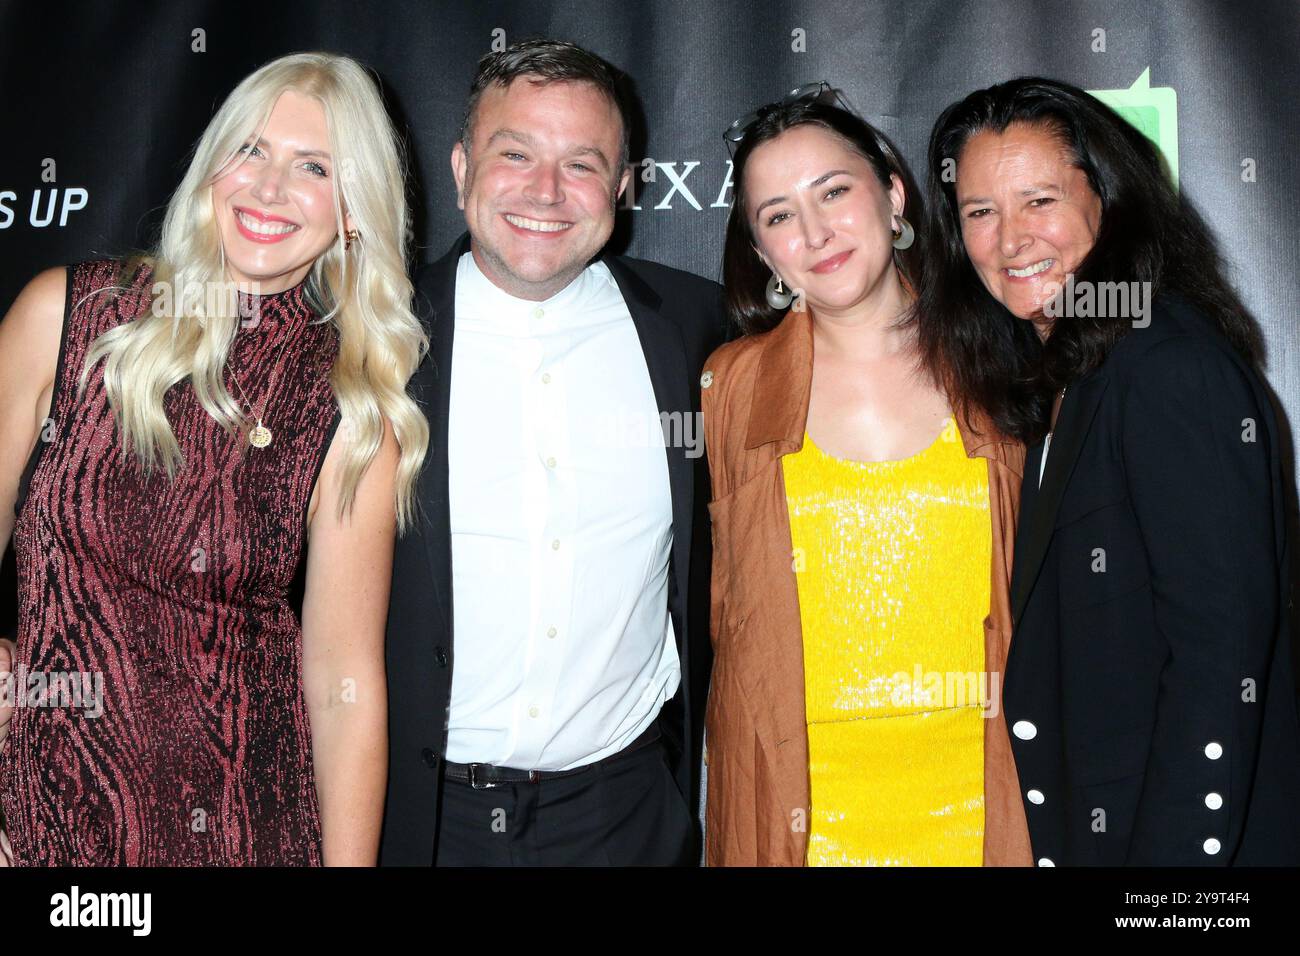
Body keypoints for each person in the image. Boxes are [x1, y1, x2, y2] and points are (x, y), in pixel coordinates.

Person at [0, 51, 428, 865]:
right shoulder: (67, 317)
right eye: (252, 151)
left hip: (245, 830)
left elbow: (344, 690)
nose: (269, 189)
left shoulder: (351, 408)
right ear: (212, 169)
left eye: (313, 168)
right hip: (43, 827)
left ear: (354, 213)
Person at [922, 75, 1300, 865]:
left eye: (1040, 201)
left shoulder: (1167, 366)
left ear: (1110, 203)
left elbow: (1220, 666)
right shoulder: (1073, 376)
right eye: (980, 213)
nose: (1011, 240)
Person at [379, 39, 726, 866]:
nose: (545, 191)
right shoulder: (370, 337)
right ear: (462, 167)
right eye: (516, 154)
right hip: (422, 818)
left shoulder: (698, 331)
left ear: (624, 186)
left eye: (582, 163)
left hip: (628, 812)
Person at [700, 83, 1033, 866]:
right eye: (778, 215)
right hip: (803, 825)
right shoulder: (729, 388)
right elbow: (724, 615)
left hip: (991, 809)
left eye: (834, 192)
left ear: (892, 194)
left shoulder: (1006, 361)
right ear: (760, 249)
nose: (814, 232)